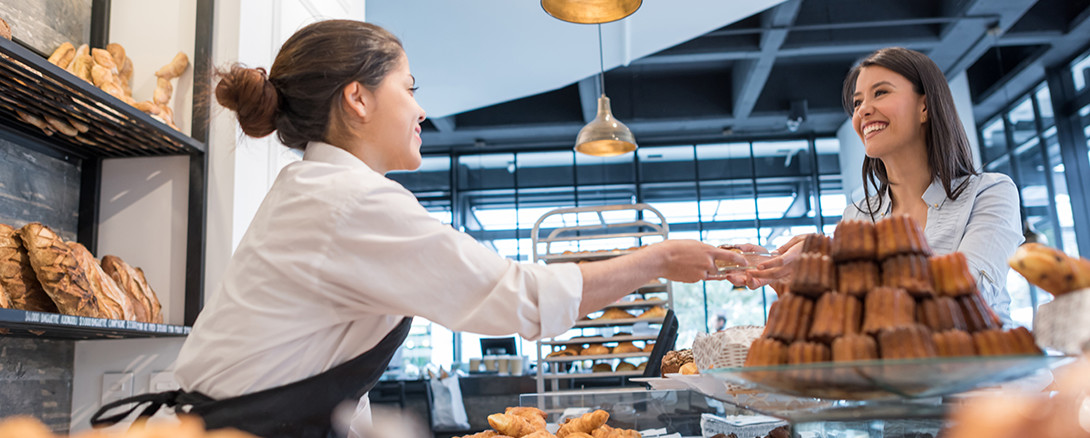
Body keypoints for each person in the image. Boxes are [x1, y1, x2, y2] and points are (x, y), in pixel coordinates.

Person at [89, 20, 743, 438]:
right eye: (410, 86)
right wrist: (657, 259)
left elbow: (321, 369)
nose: (423, 108)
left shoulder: (319, 192)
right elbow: (521, 297)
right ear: (358, 98)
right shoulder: (348, 204)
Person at [729, 47, 1022, 323]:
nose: (863, 111)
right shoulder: (855, 217)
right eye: (857, 103)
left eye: (880, 93)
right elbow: (855, 320)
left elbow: (971, 298)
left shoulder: (989, 193)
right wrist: (789, 280)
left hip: (987, 375)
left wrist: (839, 260)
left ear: (925, 107)